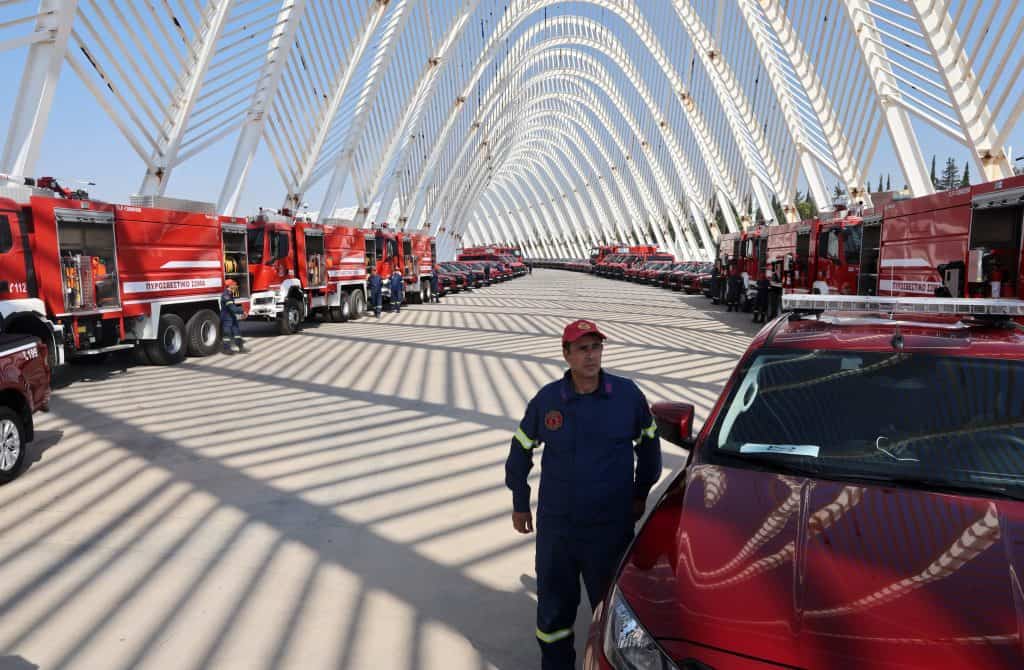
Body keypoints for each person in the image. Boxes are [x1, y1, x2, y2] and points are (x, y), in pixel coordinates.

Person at [505, 319, 661, 670]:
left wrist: (640, 493)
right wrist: (520, 502)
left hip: (609, 528)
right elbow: (520, 450)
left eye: (596, 347)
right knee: (554, 613)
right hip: (558, 529)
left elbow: (650, 446)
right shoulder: (548, 401)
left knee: (615, 612)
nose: (591, 356)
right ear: (566, 355)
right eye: (582, 349)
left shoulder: (627, 396)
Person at [220, 279, 246, 354]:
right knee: (227, 333)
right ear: (230, 286)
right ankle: (226, 349)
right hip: (226, 318)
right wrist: (242, 311)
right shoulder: (226, 295)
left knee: (237, 332)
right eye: (234, 285)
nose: (235, 286)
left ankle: (241, 347)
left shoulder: (230, 294)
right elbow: (233, 308)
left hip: (232, 317)